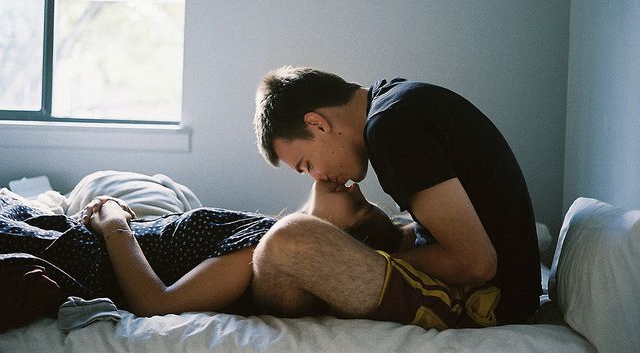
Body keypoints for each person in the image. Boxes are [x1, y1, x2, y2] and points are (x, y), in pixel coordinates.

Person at [252, 66, 541, 328]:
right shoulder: (396, 102)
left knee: (287, 242)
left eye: (307, 165)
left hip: (490, 301)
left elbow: (476, 263)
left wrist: (365, 261)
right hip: (505, 289)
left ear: (317, 124)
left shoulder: (391, 127)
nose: (318, 177)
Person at [0, 193, 276, 319]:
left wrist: (114, 223)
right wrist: (113, 208)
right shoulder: (267, 233)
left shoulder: (262, 250)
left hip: (82, 252)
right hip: (85, 233)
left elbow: (154, 302)